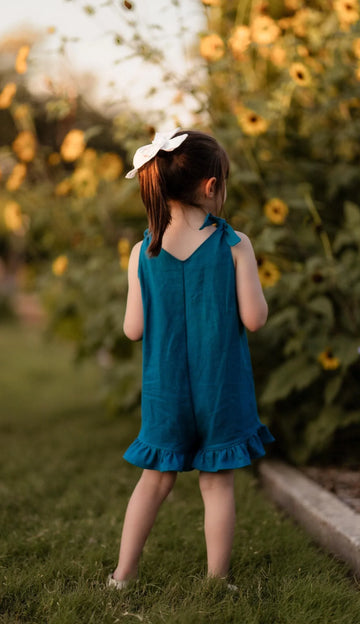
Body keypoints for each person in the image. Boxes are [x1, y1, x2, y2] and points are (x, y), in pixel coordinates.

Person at [108, 128, 274, 590]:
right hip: (222, 390)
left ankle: (123, 574)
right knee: (216, 483)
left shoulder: (144, 251)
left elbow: (132, 330)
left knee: (154, 481)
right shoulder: (235, 244)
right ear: (211, 187)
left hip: (166, 391)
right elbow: (255, 319)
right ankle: (217, 581)